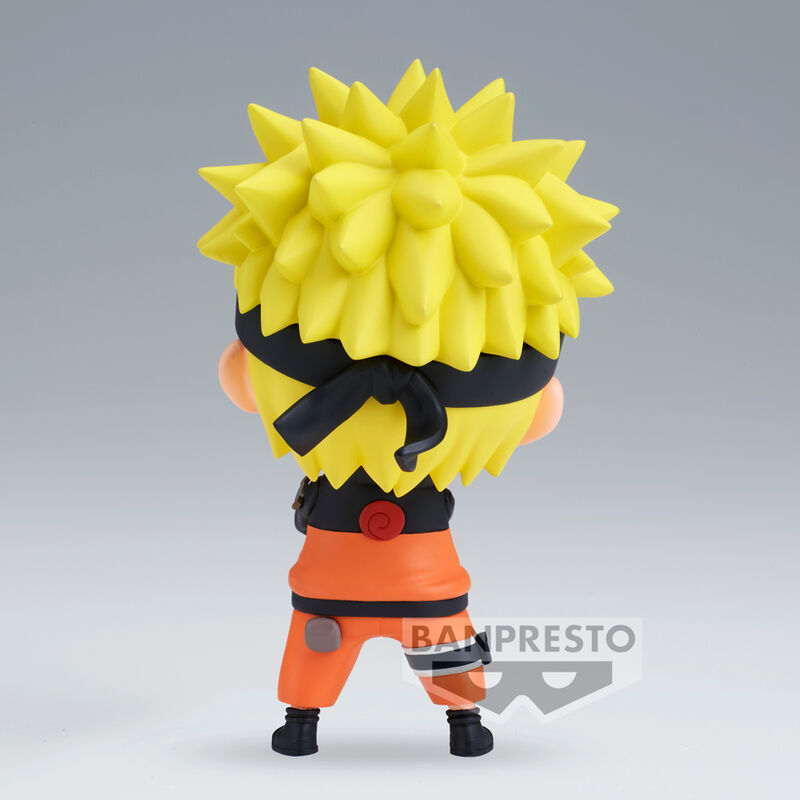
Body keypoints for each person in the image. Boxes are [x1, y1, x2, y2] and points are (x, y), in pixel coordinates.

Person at [199, 60, 616, 757]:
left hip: (365, 569)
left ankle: (365, 722)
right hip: (404, 571)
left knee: (393, 639)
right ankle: (434, 724)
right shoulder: (514, 399)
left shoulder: (275, 383)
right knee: (365, 639)